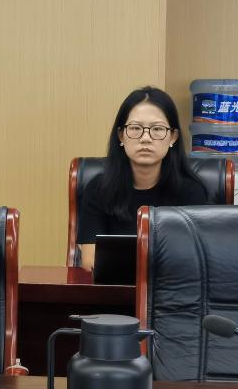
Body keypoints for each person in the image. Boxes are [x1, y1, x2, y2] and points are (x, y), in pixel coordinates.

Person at [77, 86, 211, 269]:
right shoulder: (98, 189)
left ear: (173, 137)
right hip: (113, 286)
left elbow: (194, 263)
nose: (146, 138)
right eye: (135, 128)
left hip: (172, 287)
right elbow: (90, 262)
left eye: (157, 129)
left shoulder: (191, 192)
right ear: (121, 135)